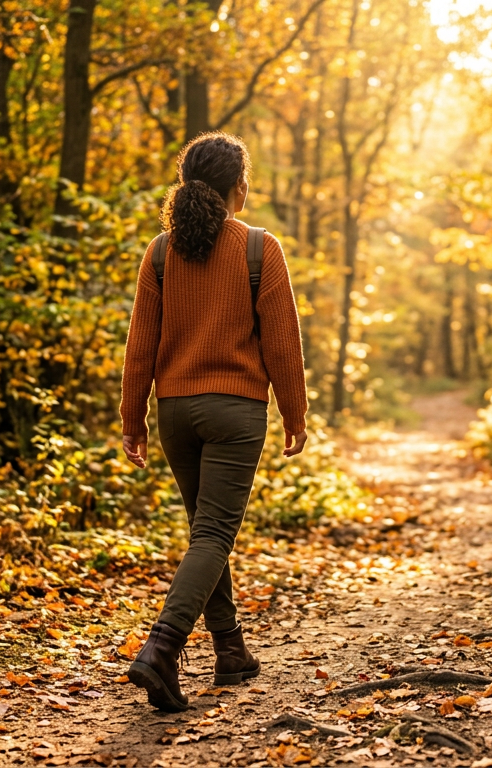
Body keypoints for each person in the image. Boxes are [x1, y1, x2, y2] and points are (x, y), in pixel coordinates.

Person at [118, 133, 309, 712]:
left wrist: (134, 417)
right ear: (238, 189)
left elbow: (139, 345)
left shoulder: (160, 251)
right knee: (214, 533)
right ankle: (162, 647)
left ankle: (230, 650)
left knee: (205, 528)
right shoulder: (258, 248)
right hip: (236, 411)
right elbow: (282, 344)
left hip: (175, 411)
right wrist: (294, 413)